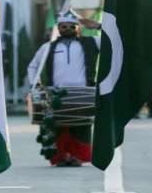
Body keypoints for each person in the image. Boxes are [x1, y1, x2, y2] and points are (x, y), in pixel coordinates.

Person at [26, 9, 101, 166]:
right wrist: (35, 85)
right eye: (64, 26)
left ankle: (77, 157)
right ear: (58, 28)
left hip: (83, 93)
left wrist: (99, 26)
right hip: (56, 94)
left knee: (82, 127)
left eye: (72, 26)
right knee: (58, 127)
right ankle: (61, 157)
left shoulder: (92, 42)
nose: (68, 29)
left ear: (78, 27)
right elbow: (33, 66)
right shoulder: (48, 47)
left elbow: (116, 40)